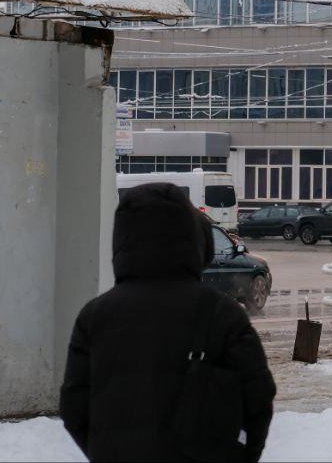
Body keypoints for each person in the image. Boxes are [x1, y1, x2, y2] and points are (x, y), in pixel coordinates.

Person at [60, 183, 276, 462]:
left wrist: (105, 450)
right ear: (192, 237)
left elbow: (73, 406)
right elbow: (258, 398)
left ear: (122, 239)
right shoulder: (222, 314)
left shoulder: (94, 317)